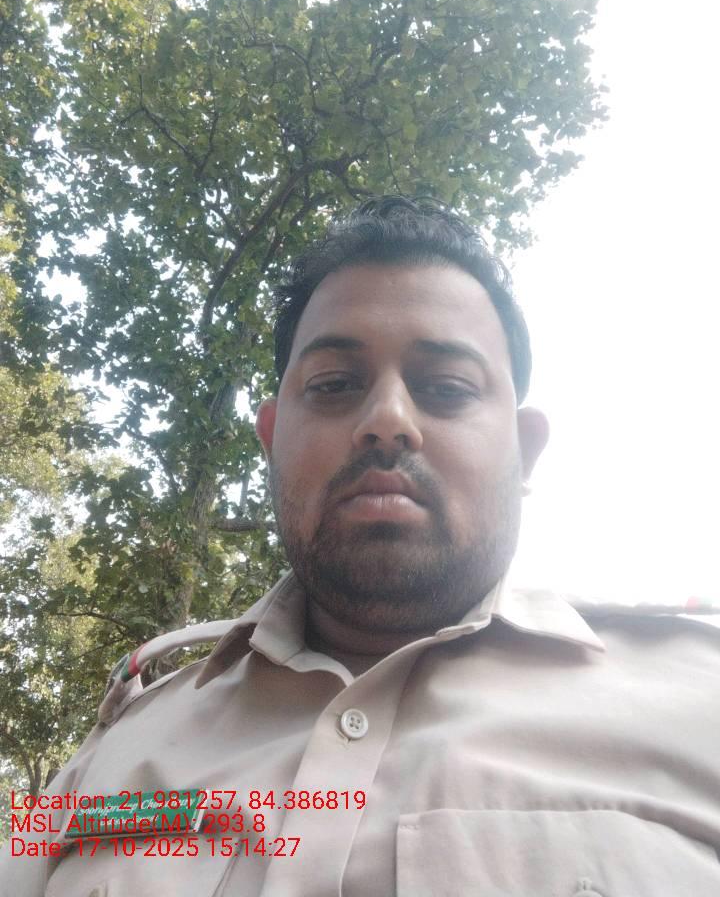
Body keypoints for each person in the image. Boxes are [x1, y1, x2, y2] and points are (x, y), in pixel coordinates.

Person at [2, 195, 719, 896]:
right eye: (335, 384)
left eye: (447, 387)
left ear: (525, 450)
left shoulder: (699, 698)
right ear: (272, 439)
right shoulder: (113, 752)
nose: (387, 419)